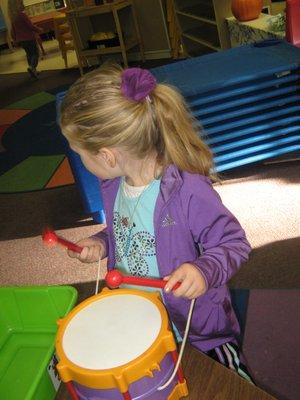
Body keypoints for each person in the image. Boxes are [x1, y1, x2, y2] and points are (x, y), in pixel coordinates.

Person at [60, 64, 253, 383]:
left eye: (80, 153)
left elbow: (234, 243)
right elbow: (129, 232)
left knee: (228, 386)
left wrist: (203, 271)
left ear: (107, 155)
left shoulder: (187, 191)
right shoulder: (114, 184)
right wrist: (101, 242)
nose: (81, 161)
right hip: (139, 318)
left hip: (197, 330)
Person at [8, 0, 42, 78]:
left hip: (22, 41)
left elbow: (12, 30)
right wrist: (39, 29)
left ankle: (33, 71)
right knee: (35, 53)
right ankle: (32, 67)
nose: (23, 4)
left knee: (29, 54)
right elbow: (31, 26)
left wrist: (14, 39)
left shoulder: (13, 17)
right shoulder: (22, 15)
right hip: (29, 38)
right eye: (21, 3)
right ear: (18, 5)